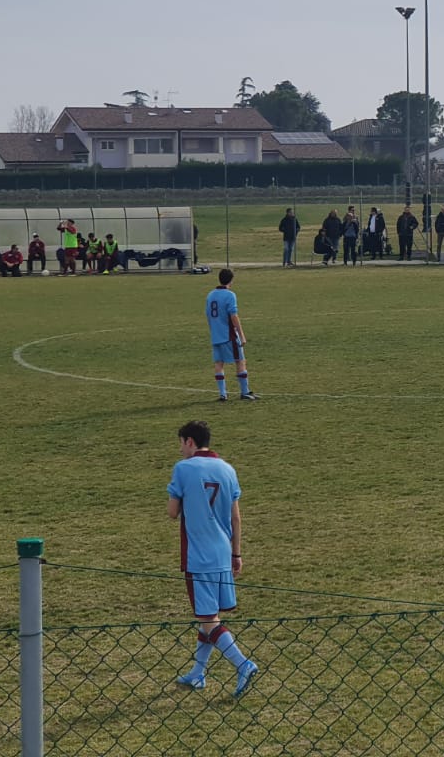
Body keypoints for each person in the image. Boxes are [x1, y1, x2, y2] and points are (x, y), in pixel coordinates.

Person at [167, 419, 259, 698]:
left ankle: (242, 664)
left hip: (198, 556)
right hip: (222, 553)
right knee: (209, 615)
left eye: (181, 443)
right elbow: (236, 517)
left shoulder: (183, 468)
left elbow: (172, 512)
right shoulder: (228, 469)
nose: (180, 449)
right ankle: (198, 673)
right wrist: (236, 553)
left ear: (190, 442)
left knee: (208, 619)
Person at [204, 268, 257, 402]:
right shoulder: (230, 295)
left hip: (215, 335)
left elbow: (208, 315)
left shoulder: (210, 295)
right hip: (229, 335)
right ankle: (244, 392)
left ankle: (223, 394)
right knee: (240, 360)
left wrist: (213, 330)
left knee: (219, 363)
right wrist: (241, 335)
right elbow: (233, 316)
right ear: (231, 280)